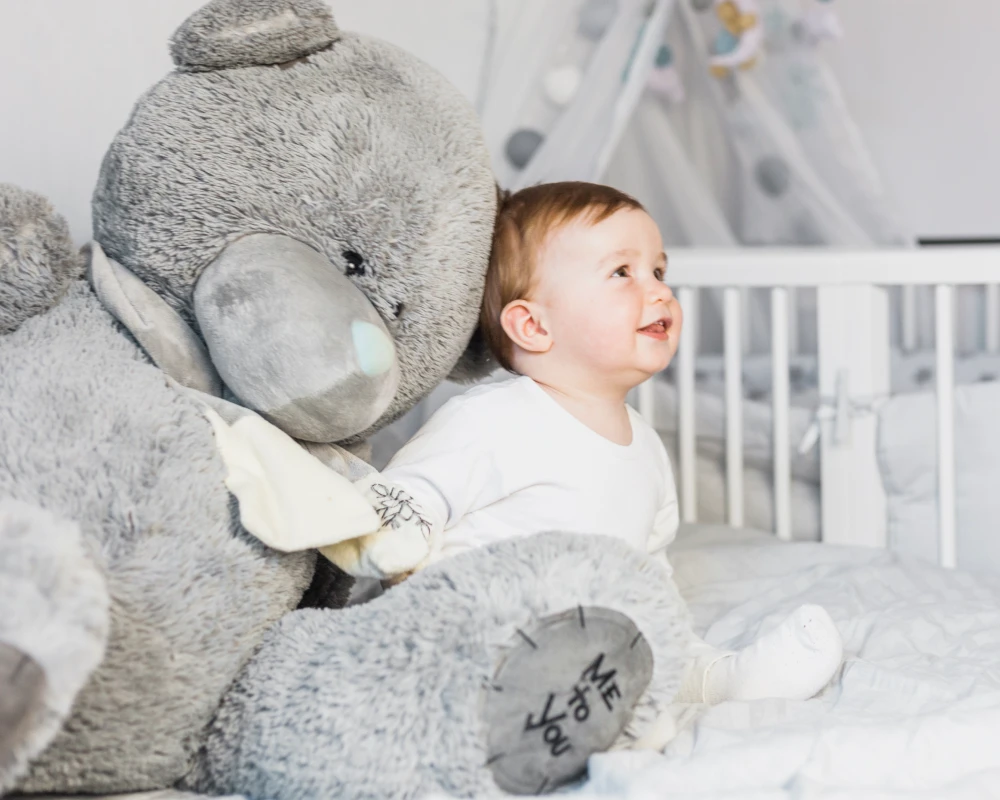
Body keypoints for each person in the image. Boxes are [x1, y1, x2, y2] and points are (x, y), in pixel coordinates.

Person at [365, 181, 843, 711]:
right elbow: (403, 503)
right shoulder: (492, 419)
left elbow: (649, 569)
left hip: (595, 655)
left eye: (659, 271)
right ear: (533, 325)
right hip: (484, 645)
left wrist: (664, 630)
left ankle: (720, 684)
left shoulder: (647, 449)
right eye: (623, 273)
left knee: (663, 649)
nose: (659, 291)